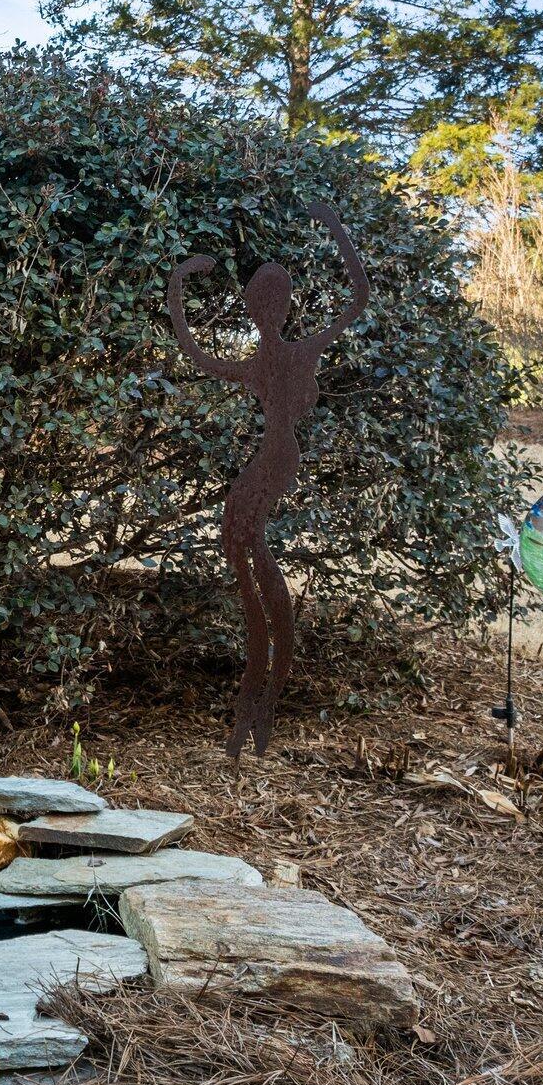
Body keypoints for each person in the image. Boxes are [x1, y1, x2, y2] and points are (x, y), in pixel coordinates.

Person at [166, 202, 370, 755]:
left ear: (273, 307)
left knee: (251, 563)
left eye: (267, 302)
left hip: (275, 461)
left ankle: (260, 696)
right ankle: (256, 702)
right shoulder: (265, 359)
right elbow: (194, 351)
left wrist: (334, 226)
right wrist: (179, 284)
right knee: (244, 557)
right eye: (259, 303)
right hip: (269, 463)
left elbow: (357, 302)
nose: (263, 311)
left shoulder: (289, 354)